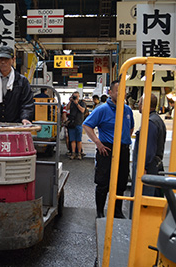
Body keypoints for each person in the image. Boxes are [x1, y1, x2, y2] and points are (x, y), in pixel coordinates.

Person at [83, 80, 134, 218]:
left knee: (121, 182)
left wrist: (124, 141)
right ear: (110, 92)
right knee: (103, 182)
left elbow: (131, 128)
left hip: (123, 150)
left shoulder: (127, 110)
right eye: (118, 90)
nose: (121, 93)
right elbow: (87, 125)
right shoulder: (102, 109)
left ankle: (117, 211)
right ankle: (100, 212)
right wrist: (98, 143)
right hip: (106, 150)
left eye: (123, 90)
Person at [132, 93, 166, 197]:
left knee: (145, 197)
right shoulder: (157, 120)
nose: (138, 104)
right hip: (154, 166)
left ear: (144, 104)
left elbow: (148, 149)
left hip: (149, 168)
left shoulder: (151, 123)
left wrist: (143, 167)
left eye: (140, 102)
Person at [67, 92, 87, 159]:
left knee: (79, 140)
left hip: (78, 123)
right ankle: (73, 153)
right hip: (72, 123)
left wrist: (77, 104)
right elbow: (67, 108)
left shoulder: (82, 103)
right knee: (72, 140)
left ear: (79, 96)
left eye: (76, 96)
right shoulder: (71, 103)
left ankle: (79, 153)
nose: (75, 98)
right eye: (74, 96)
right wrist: (70, 101)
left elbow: (82, 110)